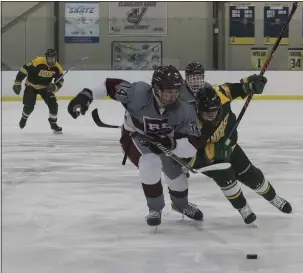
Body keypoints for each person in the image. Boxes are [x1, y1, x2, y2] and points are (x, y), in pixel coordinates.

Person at [67, 65, 203, 227]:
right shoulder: (137, 93)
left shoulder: (185, 110)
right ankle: (155, 208)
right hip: (136, 137)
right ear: (155, 89)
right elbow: (108, 85)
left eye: (176, 92)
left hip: (166, 142)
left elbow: (193, 144)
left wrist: (173, 144)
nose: (173, 97)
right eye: (168, 92)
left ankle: (181, 205)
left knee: (176, 177)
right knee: (149, 163)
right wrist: (86, 95)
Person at [189, 80, 292, 225]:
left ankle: (273, 197)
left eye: (214, 111)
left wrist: (250, 85)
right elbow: (188, 155)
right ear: (198, 111)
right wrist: (209, 155)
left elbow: (234, 89)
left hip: (229, 145)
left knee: (251, 174)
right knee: (226, 177)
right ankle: (243, 208)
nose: (212, 116)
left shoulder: (220, 93)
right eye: (207, 113)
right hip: (208, 158)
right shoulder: (189, 122)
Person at [13, 49, 64, 133]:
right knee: (29, 107)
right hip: (31, 86)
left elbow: (60, 81)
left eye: (53, 58)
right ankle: (24, 118)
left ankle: (53, 123)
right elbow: (24, 69)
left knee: (53, 105)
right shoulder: (37, 62)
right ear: (46, 57)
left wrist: (54, 87)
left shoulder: (58, 68)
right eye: (50, 58)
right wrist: (17, 83)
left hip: (45, 88)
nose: (52, 60)